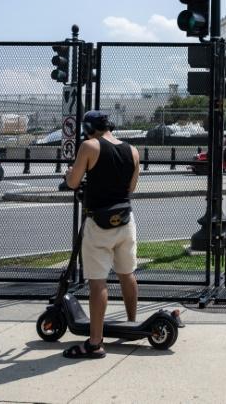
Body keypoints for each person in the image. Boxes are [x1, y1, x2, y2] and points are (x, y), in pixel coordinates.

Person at [63, 110, 140, 359]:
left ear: (89, 127)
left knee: (98, 284)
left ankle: (95, 343)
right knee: (127, 275)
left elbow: (74, 183)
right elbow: (131, 188)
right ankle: (131, 324)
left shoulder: (89, 146)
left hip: (98, 223)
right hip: (125, 221)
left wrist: (68, 174)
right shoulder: (133, 151)